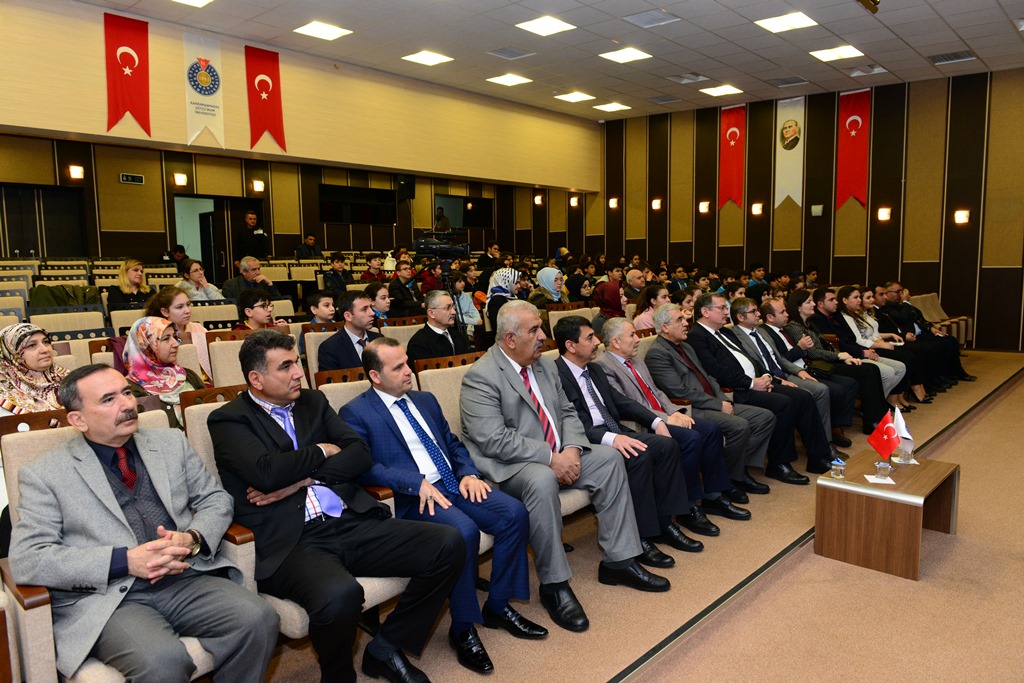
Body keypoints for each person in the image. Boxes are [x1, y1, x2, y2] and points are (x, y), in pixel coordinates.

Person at [207, 331, 463, 682]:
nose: (298, 373)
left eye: (297, 362)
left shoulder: (312, 401)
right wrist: (323, 450)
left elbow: (360, 453)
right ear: (256, 378)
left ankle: (385, 648)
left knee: (448, 543)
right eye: (286, 366)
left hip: (348, 518)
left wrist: (303, 480)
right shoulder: (229, 419)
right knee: (341, 595)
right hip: (292, 541)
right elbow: (266, 473)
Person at [10, 364, 278, 681]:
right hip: (112, 599)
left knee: (259, 618)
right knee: (162, 661)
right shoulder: (45, 474)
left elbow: (215, 499)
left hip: (185, 576)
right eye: (108, 399)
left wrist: (192, 538)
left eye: (126, 392)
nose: (127, 404)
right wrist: (124, 561)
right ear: (78, 419)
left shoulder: (170, 443)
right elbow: (29, 558)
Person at [460, 301, 669, 635]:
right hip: (512, 466)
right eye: (534, 330)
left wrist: (571, 449)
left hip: (559, 453)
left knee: (609, 459)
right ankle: (554, 585)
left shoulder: (543, 364)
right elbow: (493, 439)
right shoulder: (481, 376)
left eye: (541, 327)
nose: (543, 336)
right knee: (543, 479)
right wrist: (551, 458)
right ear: (510, 339)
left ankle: (619, 560)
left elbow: (568, 412)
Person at [341, 338, 545, 674]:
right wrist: (413, 482)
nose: (409, 371)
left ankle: (497, 605)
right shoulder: (356, 412)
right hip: (416, 497)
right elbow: (363, 467)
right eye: (398, 367)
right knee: (463, 531)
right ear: (375, 376)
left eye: (408, 362)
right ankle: (462, 629)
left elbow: (452, 443)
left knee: (514, 513)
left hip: (453, 483)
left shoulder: (425, 399)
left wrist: (467, 473)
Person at [553, 316, 710, 558]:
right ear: (570, 346)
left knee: (667, 445)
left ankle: (665, 524)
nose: (597, 342)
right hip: (587, 441)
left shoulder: (593, 369)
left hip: (614, 430)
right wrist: (612, 439)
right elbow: (571, 423)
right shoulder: (556, 375)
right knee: (638, 455)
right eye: (590, 338)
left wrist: (656, 421)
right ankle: (642, 536)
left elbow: (621, 401)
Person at [595, 317, 750, 521]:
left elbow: (656, 391)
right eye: (632, 335)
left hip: (664, 415)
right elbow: (626, 404)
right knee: (691, 438)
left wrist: (674, 413)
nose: (638, 339)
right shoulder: (603, 366)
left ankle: (714, 495)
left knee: (711, 429)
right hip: (642, 424)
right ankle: (688, 507)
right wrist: (664, 419)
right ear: (616, 342)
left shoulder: (636, 359)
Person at [686, 292, 833, 479]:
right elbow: (715, 370)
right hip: (735, 389)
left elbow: (751, 358)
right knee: (783, 403)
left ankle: (818, 456)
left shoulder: (724, 332)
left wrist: (766, 376)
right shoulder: (697, 336)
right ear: (705, 312)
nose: (726, 312)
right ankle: (779, 463)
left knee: (803, 396)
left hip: (756, 381)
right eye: (722, 308)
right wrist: (751, 383)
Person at [644, 303, 775, 495]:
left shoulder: (686, 346)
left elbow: (709, 377)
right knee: (739, 426)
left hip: (714, 400)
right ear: (665, 327)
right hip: (693, 408)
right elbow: (680, 392)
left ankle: (735, 471)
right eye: (680, 320)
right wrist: (718, 404)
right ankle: (732, 478)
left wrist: (723, 400)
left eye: (684, 319)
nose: (686, 323)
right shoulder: (657, 354)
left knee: (765, 418)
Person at [729, 298, 847, 460]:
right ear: (740, 317)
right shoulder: (735, 336)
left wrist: (798, 371)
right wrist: (777, 379)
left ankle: (825, 443)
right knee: (808, 394)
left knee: (819, 389)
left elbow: (779, 358)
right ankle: (820, 447)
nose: (758, 314)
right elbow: (754, 365)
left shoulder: (761, 331)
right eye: (753, 311)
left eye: (757, 310)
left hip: (784, 372)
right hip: (767, 378)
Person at [759, 297, 859, 447]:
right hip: (792, 372)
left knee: (849, 383)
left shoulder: (784, 329)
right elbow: (780, 361)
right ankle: (825, 440)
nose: (787, 314)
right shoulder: (765, 333)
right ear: (770, 317)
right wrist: (800, 348)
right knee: (826, 390)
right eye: (782, 312)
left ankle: (833, 428)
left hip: (808, 366)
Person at [123, 317, 205, 428]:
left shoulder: (188, 376)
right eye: (166, 339)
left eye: (175, 337)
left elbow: (208, 411)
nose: (176, 344)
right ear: (145, 344)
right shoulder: (131, 389)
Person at [145, 286, 213, 385]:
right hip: (174, 386)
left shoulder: (198, 328)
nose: (187, 310)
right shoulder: (156, 334)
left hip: (206, 385)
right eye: (180, 307)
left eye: (188, 304)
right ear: (165, 312)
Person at [0, 322, 66, 417]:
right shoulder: (4, 394)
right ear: (11, 353)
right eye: (31, 345)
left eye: (46, 342)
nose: (45, 350)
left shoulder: (66, 378)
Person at [317, 291, 383, 372]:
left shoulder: (379, 339)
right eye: (364, 309)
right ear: (348, 316)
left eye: (370, 308)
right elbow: (330, 380)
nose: (372, 313)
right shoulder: (330, 348)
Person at [406, 290, 470, 366]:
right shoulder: (418, 344)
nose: (454, 312)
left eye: (453, 306)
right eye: (448, 308)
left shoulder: (460, 336)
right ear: (431, 313)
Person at [485, 267, 519, 333]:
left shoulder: (514, 297)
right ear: (505, 282)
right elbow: (499, 328)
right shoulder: (496, 301)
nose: (519, 286)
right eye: (516, 283)